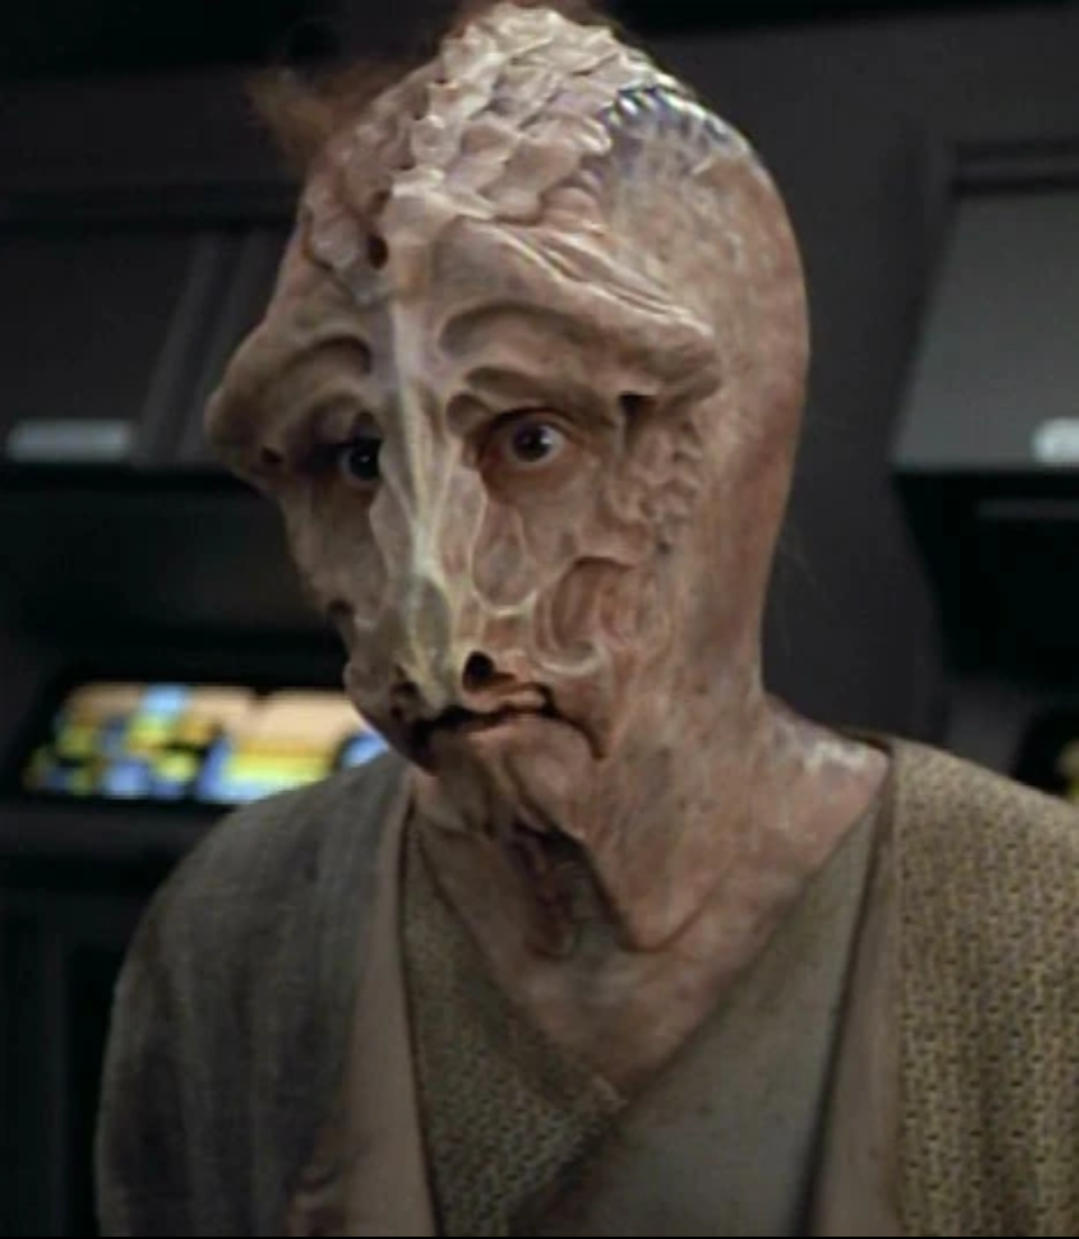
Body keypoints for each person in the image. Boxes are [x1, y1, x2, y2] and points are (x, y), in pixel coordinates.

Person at [95, 3, 1079, 1234]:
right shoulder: (238, 933)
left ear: (737, 450)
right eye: (355, 457)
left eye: (531, 441)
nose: (425, 619)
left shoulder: (1034, 936)